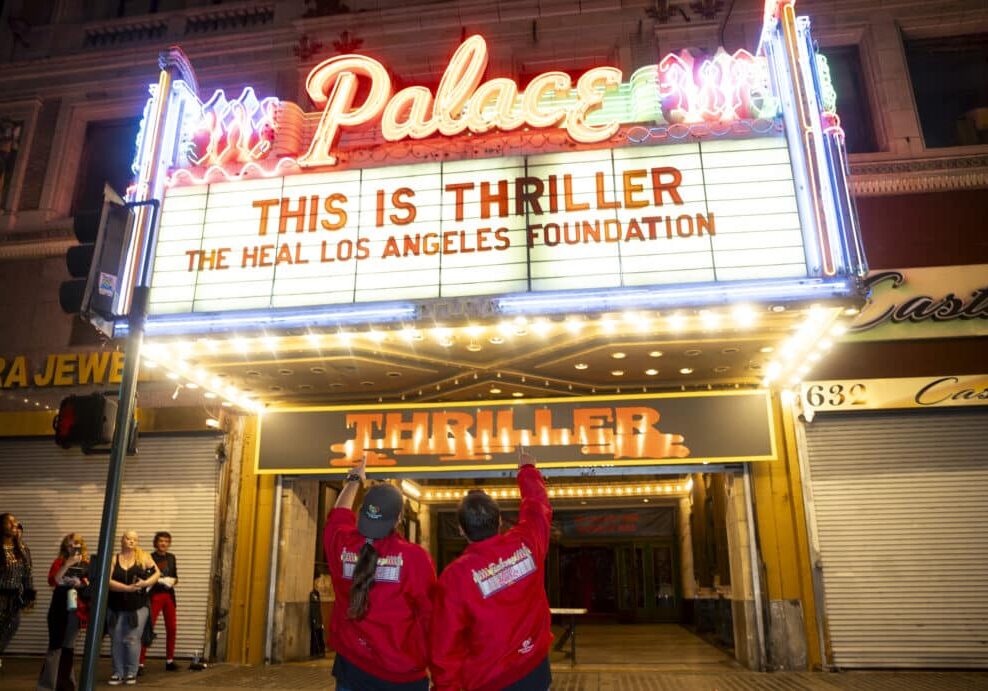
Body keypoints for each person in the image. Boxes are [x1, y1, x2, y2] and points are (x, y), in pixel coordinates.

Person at [430, 449, 553, 691]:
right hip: (536, 669)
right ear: (499, 521)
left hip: (489, 680)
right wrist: (527, 470)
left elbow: (445, 645)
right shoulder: (526, 543)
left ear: (461, 530)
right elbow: (538, 506)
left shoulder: (455, 576)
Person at [323, 454, 436, 691]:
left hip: (351, 669)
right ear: (398, 519)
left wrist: (355, 478)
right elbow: (430, 617)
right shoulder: (415, 558)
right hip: (400, 675)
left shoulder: (341, 543)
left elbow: (338, 514)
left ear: (362, 512)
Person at [38, 533, 90, 691]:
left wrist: (81, 584)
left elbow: (89, 585)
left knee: (68, 647)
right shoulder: (60, 562)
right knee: (55, 646)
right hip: (59, 607)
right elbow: (55, 581)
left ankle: (66, 685)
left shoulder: (86, 564)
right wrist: (67, 565)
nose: (73, 547)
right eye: (69, 544)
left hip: (76, 609)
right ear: (65, 547)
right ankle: (47, 686)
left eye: (76, 544)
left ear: (81, 545)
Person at [107, 531, 159, 686]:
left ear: (137, 542)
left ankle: (131, 672)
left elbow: (157, 573)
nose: (131, 541)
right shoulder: (114, 559)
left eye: (134, 539)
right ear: (122, 540)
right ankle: (118, 672)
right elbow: (107, 581)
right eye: (128, 538)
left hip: (138, 607)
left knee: (132, 639)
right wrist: (126, 588)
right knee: (116, 639)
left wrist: (145, 583)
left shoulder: (144, 557)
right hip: (115, 607)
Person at [139, 532, 179, 674]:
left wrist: (173, 581)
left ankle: (169, 661)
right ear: (156, 542)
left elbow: (176, 577)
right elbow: (146, 576)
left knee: (172, 628)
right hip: (154, 596)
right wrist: (160, 580)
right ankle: (140, 663)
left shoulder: (171, 557)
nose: (163, 544)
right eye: (161, 541)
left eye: (166, 541)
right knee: (147, 628)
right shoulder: (149, 557)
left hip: (169, 596)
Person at [0, 512, 35, 656]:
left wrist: (29, 595)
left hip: (14, 597)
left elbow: (27, 573)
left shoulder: (22, 549)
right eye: (10, 522)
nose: (15, 524)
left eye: (15, 522)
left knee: (12, 627)